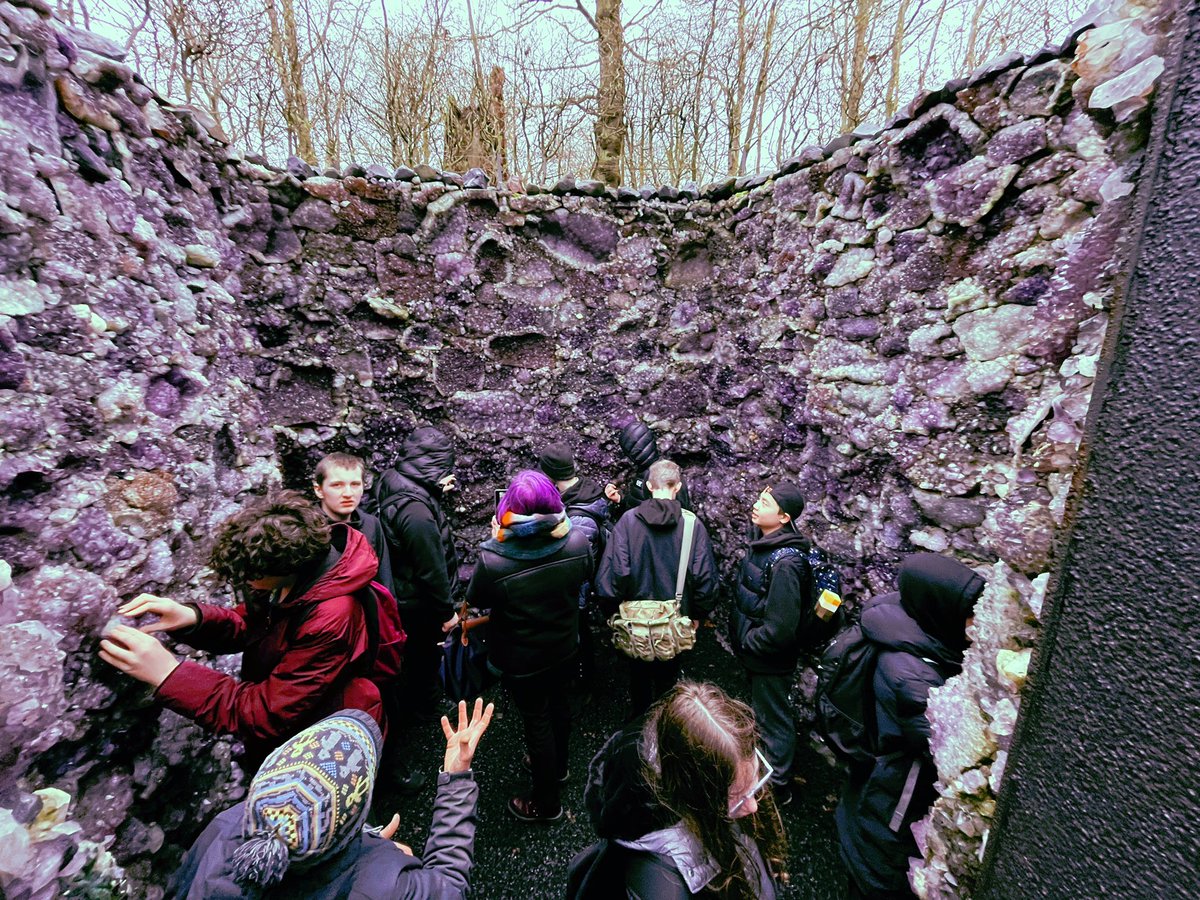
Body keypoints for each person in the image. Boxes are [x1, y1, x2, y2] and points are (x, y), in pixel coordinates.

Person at [99, 491, 383, 772]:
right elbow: (252, 626)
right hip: (296, 717)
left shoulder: (331, 617)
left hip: (317, 743)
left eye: (251, 577)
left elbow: (265, 713)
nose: (247, 583)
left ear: (287, 568)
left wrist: (170, 674)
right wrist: (193, 618)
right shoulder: (294, 578)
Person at [169, 699, 494, 898]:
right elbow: (449, 886)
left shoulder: (224, 827)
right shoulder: (382, 883)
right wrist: (456, 776)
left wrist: (359, 845)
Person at [836, 553, 984, 899]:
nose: (977, 624)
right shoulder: (911, 677)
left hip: (875, 782)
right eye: (970, 614)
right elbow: (948, 753)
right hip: (891, 806)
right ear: (940, 610)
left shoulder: (914, 631)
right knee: (875, 877)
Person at [566, 681, 787, 899]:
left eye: (756, 783)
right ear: (695, 797)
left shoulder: (667, 738)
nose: (753, 806)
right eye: (737, 798)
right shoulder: (660, 886)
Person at [464, 470, 593, 823]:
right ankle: (560, 768)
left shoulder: (494, 560)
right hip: (565, 645)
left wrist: (497, 542)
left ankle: (546, 804)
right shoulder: (579, 542)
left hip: (523, 658)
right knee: (560, 708)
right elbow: (584, 577)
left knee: (537, 722)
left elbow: (477, 598)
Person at [730, 482, 827, 807]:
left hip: (770, 659)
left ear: (784, 517)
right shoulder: (766, 542)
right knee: (766, 713)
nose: (757, 505)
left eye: (766, 502)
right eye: (759, 497)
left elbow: (780, 629)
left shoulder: (785, 564)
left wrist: (747, 642)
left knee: (774, 718)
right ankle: (769, 772)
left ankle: (778, 786)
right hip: (760, 655)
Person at [595, 459, 717, 718]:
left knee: (638, 678)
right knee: (668, 679)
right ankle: (664, 729)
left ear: (650, 486)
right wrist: (698, 615)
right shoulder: (692, 525)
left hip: (633, 621)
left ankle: (640, 725)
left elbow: (612, 578)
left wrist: (611, 612)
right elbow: (705, 579)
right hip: (675, 620)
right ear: (679, 486)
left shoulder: (628, 522)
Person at [373, 427, 460, 727]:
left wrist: (436, 488)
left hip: (401, 587)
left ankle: (419, 697)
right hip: (419, 601)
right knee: (424, 654)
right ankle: (428, 706)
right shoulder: (417, 511)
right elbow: (430, 567)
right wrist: (446, 611)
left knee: (412, 653)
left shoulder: (393, 478)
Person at [538, 441, 611, 693]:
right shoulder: (581, 492)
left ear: (551, 476)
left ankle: (583, 682)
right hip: (574, 589)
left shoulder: (580, 518)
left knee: (578, 635)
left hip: (575, 592)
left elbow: (578, 565)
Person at [312, 451, 393, 596]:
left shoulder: (371, 524)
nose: (348, 493)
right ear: (319, 490)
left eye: (355, 484)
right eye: (337, 485)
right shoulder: (307, 527)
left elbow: (384, 581)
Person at [604, 421, 692, 519]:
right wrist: (620, 498)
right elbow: (639, 500)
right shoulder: (644, 470)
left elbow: (677, 514)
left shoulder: (663, 474)